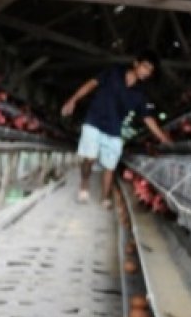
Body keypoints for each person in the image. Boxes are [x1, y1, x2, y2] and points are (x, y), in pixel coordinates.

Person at [61, 51, 172, 207]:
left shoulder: (140, 94)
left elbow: (147, 118)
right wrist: (73, 100)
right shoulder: (113, 72)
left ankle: (105, 197)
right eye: (145, 67)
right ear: (136, 63)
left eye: (149, 71)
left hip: (114, 130)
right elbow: (92, 83)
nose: (146, 72)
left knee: (110, 166)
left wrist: (162, 137)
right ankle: (84, 184)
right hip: (94, 121)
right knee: (90, 158)